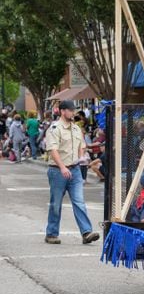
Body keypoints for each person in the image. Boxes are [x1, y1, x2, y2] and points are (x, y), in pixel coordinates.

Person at [44, 100, 100, 244]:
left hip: (74, 169)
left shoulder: (76, 129)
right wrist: (62, 167)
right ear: (62, 111)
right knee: (56, 203)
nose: (73, 112)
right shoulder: (54, 128)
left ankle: (86, 232)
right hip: (57, 171)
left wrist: (81, 157)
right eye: (70, 110)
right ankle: (51, 233)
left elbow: (81, 144)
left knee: (79, 201)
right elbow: (53, 150)